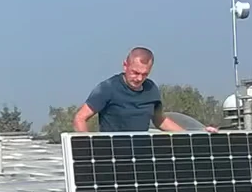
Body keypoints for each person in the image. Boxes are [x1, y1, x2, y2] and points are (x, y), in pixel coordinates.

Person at [73, 47, 217, 133]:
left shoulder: (151, 89)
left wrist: (192, 135)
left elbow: (160, 120)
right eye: (135, 72)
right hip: (112, 157)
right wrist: (89, 149)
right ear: (125, 65)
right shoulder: (108, 88)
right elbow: (80, 118)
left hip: (140, 156)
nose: (139, 78)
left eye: (144, 74)